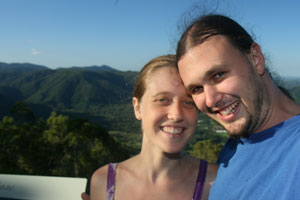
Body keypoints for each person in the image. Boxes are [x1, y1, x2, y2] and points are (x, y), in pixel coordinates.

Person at [176, 14, 300, 200]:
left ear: (255, 58)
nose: (210, 100)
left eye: (218, 75)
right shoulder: (234, 148)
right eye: (197, 88)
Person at [84, 55, 218, 200]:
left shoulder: (215, 182)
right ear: (138, 108)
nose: (177, 114)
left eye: (188, 102)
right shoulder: (105, 182)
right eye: (162, 100)